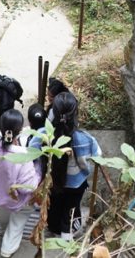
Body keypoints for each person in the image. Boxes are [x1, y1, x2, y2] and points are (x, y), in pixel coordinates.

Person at [29, 92, 102, 240]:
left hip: (51, 181)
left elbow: (31, 151)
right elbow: (98, 155)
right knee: (71, 208)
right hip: (76, 184)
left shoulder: (44, 135)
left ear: (52, 113)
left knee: (54, 205)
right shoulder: (85, 138)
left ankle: (52, 227)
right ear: (75, 114)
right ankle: (66, 235)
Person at [0, 109, 40, 258]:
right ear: (19, 131)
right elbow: (28, 187)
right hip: (13, 200)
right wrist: (38, 170)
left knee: (3, 213)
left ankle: (7, 229)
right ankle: (7, 249)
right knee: (23, 212)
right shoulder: (22, 155)